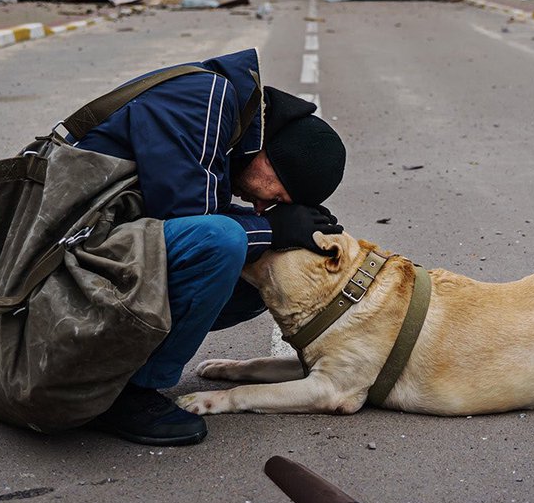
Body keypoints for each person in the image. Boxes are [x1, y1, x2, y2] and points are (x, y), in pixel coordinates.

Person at [72, 48, 346, 446]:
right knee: (227, 241)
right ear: (271, 159)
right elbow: (191, 223)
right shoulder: (207, 100)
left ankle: (118, 362)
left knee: (260, 263)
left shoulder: (226, 117)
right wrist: (270, 227)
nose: (261, 205)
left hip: (97, 243)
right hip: (62, 253)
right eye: (276, 196)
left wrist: (273, 234)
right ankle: (128, 395)